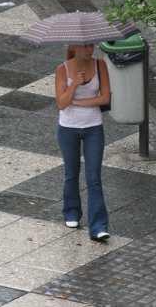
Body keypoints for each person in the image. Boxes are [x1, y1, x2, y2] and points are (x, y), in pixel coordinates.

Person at [55, 44, 111, 242]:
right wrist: (74, 85)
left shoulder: (100, 65)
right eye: (85, 46)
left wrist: (78, 103)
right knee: (71, 173)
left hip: (93, 127)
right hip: (68, 128)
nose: (90, 49)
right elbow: (61, 103)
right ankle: (71, 212)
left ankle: (98, 226)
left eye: (91, 45)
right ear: (75, 47)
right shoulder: (62, 69)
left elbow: (105, 98)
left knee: (94, 177)